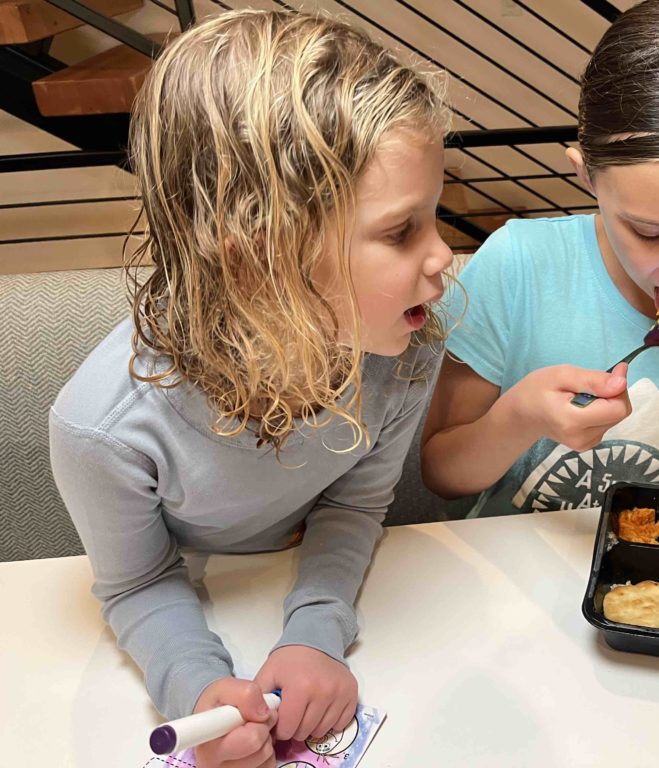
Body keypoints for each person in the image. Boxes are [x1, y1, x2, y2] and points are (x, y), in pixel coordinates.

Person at [48, 10, 452, 768]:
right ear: (254, 262)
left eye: (434, 216)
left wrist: (315, 631)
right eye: (402, 231)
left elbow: (355, 502)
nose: (444, 257)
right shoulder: (102, 429)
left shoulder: (401, 344)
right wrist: (199, 688)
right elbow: (136, 584)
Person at [421, 0, 659, 517]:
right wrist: (519, 417)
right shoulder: (518, 267)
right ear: (585, 175)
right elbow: (440, 475)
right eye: (650, 232)